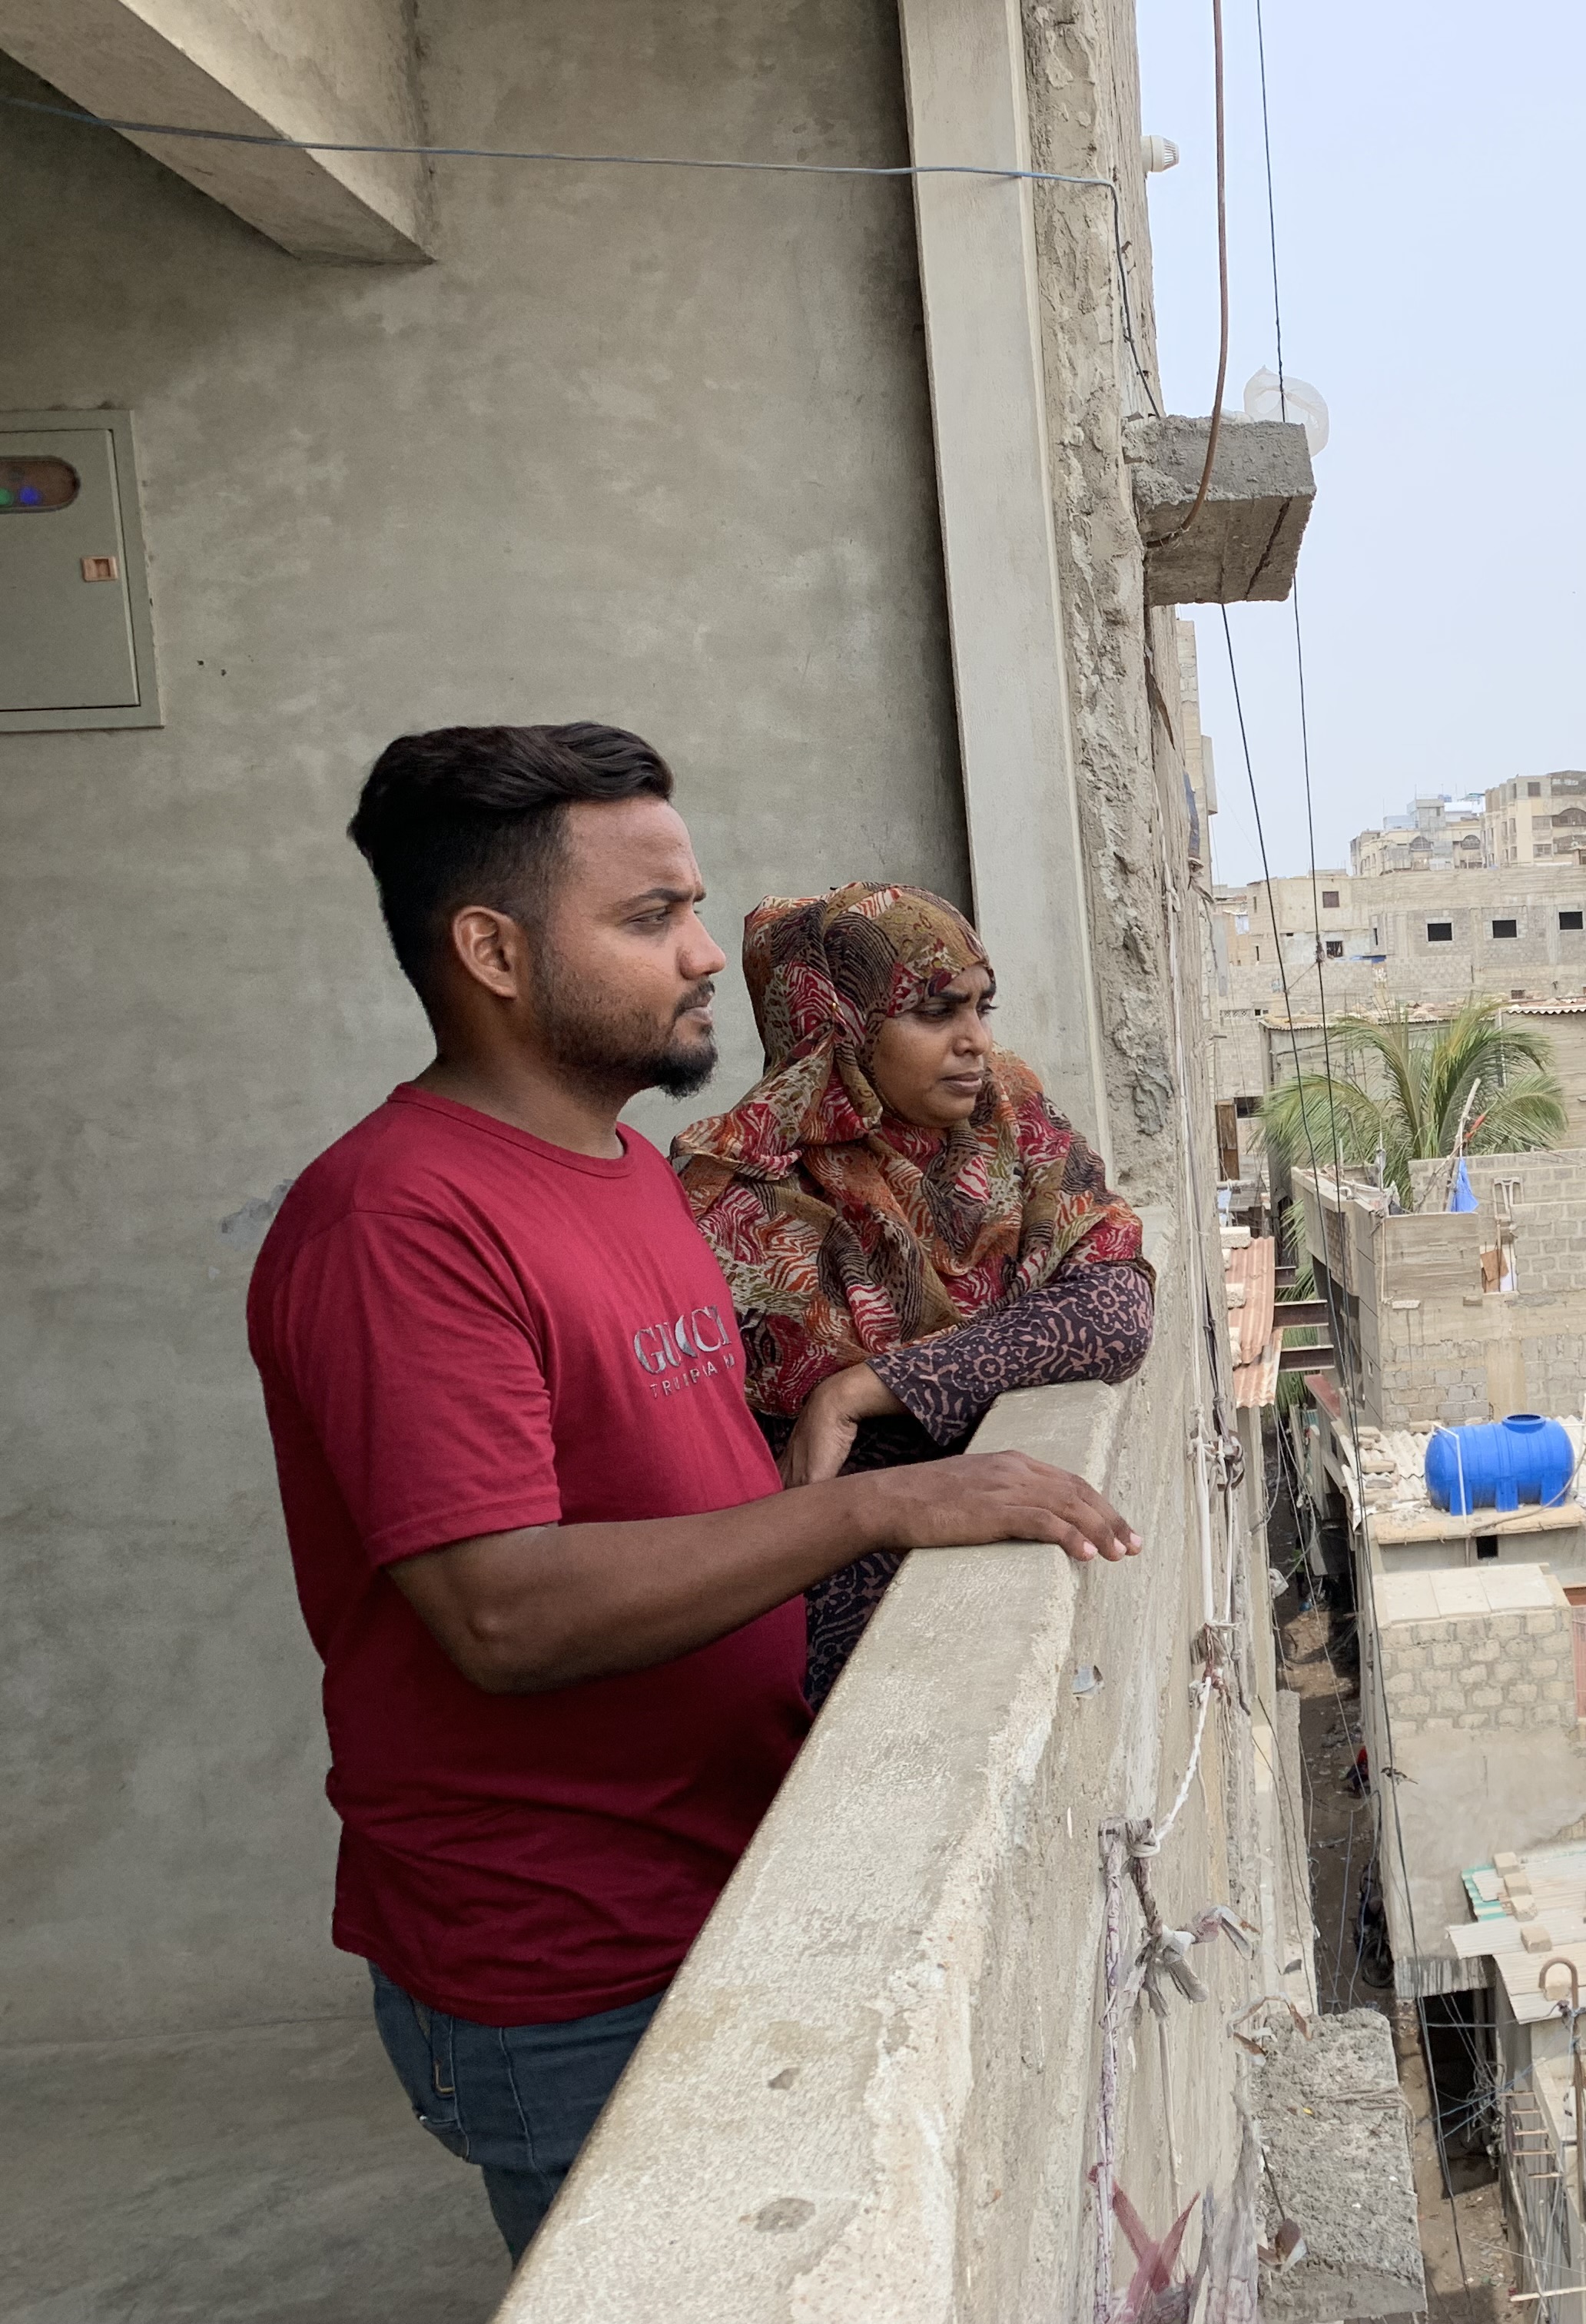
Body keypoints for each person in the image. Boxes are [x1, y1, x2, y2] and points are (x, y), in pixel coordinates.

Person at [246, 724, 1140, 2262]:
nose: (704, 954)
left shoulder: (625, 1174)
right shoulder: (398, 1222)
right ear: (493, 951)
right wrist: (875, 1510)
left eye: (694, 908)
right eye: (648, 917)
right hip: (568, 1956)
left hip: (724, 1871)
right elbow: (504, 1613)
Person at [672, 884, 1154, 1705]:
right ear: (838, 1028)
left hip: (982, 1505)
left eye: (981, 1007)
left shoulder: (1008, 1119)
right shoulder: (734, 1188)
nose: (974, 1041)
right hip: (826, 1561)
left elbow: (1116, 1311)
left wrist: (860, 1388)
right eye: (936, 1012)